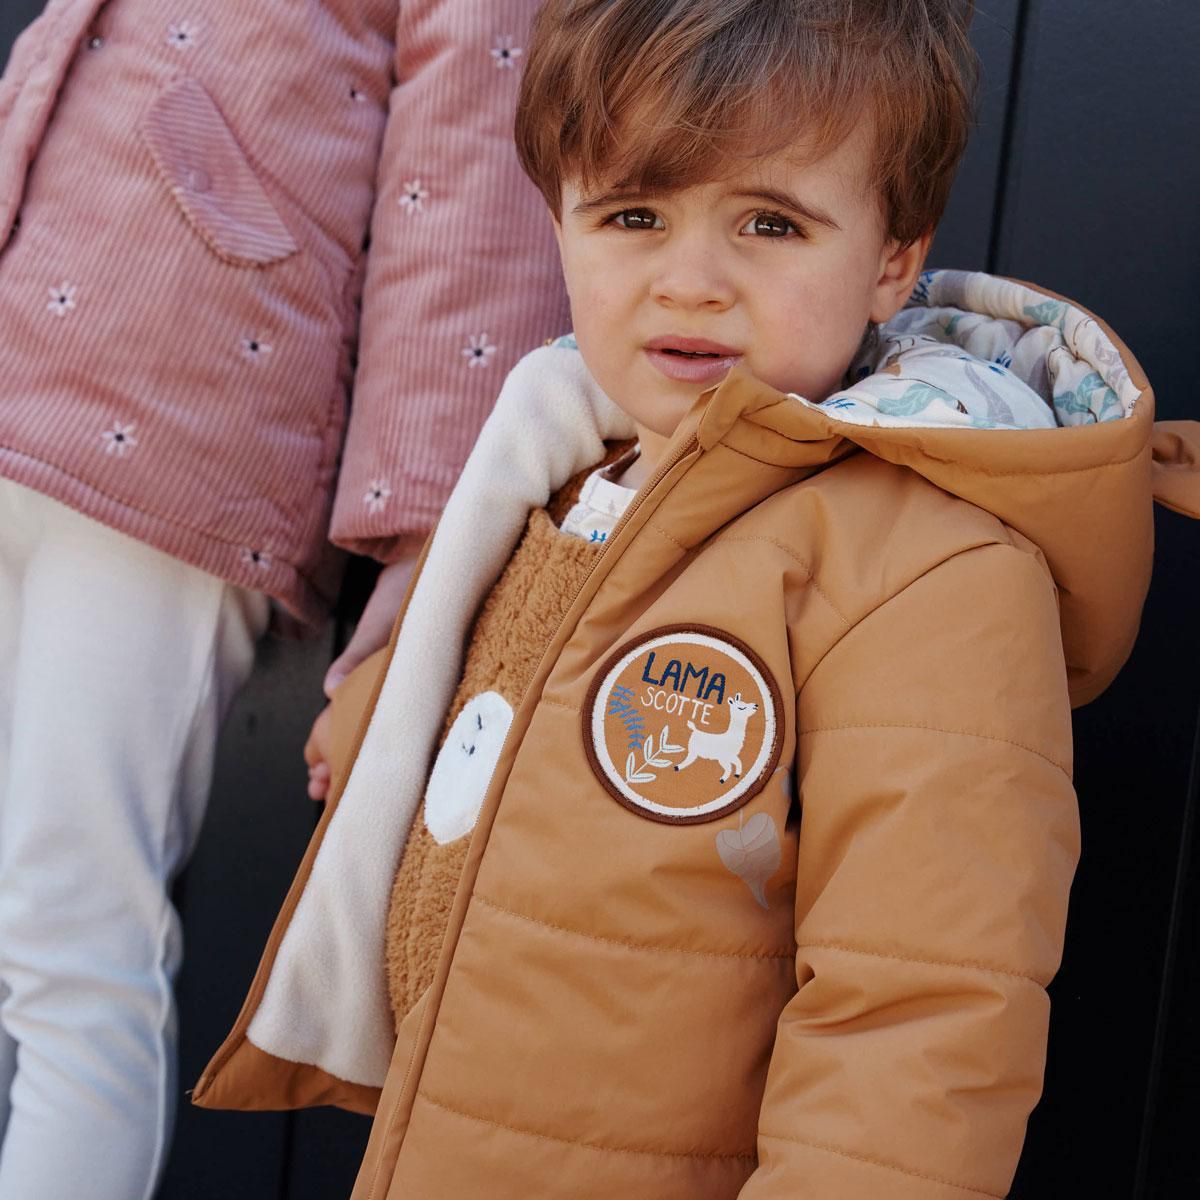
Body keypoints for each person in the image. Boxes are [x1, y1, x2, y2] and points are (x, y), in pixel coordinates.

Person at [196, 1, 1200, 1196]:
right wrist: (380, 717)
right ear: (559, 222)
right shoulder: (569, 474)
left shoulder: (932, 569)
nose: (691, 281)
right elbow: (517, 725)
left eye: (770, 222)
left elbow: (919, 1023)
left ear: (893, 254)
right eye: (633, 214)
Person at [0, 2, 565, 1197]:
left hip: (170, 430)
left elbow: (468, 185)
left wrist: (427, 550)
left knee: (69, 931)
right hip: (22, 358)